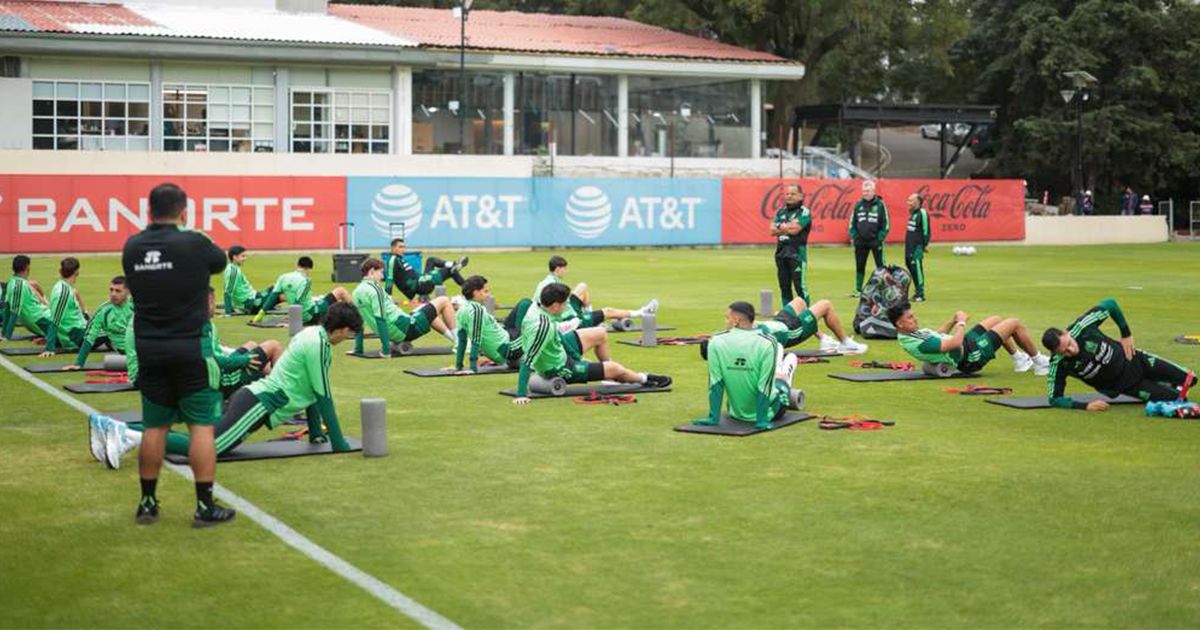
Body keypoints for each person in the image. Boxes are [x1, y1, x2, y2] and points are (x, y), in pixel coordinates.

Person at [99, 303, 362, 468]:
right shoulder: (319, 344)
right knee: (208, 449)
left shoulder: (312, 334)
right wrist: (338, 443)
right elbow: (323, 395)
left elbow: (311, 392)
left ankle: (118, 430)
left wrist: (316, 434)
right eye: (351, 333)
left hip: (254, 399)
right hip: (259, 403)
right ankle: (127, 434)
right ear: (341, 330)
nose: (349, 338)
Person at [121, 182, 233, 527]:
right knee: (201, 427)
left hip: (149, 349)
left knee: (155, 427)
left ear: (148, 211)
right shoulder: (195, 242)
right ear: (184, 212)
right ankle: (203, 506)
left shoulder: (132, 246)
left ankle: (147, 503)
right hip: (190, 348)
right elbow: (219, 261)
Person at [512, 283, 670, 405]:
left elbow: (557, 335)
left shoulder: (538, 307)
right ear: (555, 306)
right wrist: (521, 395)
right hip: (560, 368)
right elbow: (528, 361)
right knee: (615, 368)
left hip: (557, 349)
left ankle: (609, 377)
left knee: (600, 333)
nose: (566, 307)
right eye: (564, 304)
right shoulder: (542, 326)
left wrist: (576, 356)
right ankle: (643, 378)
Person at [1042, 298, 1195, 411]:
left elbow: (1110, 304)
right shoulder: (1058, 364)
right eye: (1064, 352)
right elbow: (1054, 399)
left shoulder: (1083, 327)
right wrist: (1085, 406)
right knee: (1179, 398)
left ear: (1066, 333)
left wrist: (1125, 333)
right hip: (1127, 385)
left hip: (1136, 360)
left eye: (1069, 344)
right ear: (1055, 353)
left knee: (1191, 379)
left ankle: (1166, 381)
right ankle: (1166, 385)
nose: (1071, 351)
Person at [695, 301, 800, 430]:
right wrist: (762, 420)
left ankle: (784, 370)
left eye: (727, 318)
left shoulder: (715, 341)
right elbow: (764, 385)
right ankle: (786, 371)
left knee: (777, 372)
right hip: (769, 411)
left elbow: (715, 382)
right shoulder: (768, 341)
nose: (725, 321)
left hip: (737, 413)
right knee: (780, 379)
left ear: (736, 320)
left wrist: (713, 418)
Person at [888, 302, 1050, 375]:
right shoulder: (917, 343)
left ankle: (1019, 360)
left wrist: (952, 320)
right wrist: (961, 322)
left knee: (996, 320)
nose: (915, 319)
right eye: (910, 317)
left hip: (966, 345)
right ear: (900, 324)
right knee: (1014, 323)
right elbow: (955, 343)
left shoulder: (909, 334)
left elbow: (936, 335)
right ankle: (1040, 363)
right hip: (970, 357)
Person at [352, 257, 458, 356]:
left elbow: (358, 321)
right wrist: (386, 350)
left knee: (427, 312)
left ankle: (455, 341)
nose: (382, 276)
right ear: (371, 271)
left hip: (396, 331)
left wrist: (358, 348)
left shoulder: (357, 292)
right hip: (406, 329)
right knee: (444, 300)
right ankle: (461, 343)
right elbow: (380, 319)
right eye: (380, 272)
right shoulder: (375, 290)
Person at [532, 255, 657, 327]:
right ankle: (641, 312)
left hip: (566, 311)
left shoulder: (546, 282)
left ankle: (591, 315)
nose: (566, 271)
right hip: (568, 318)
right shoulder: (552, 285)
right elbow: (551, 308)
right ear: (558, 269)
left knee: (582, 286)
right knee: (608, 311)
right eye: (565, 268)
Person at [253, 256, 352, 326]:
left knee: (319, 299)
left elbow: (272, 297)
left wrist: (260, 315)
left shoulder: (283, 277)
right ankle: (356, 317)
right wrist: (294, 321)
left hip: (299, 314)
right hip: (311, 315)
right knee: (341, 291)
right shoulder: (306, 281)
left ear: (297, 265)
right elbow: (299, 301)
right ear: (309, 269)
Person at [454, 275, 523, 373]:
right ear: (476, 293)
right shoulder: (477, 310)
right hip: (508, 348)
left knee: (523, 304)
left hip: (505, 337)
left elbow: (462, 340)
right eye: (485, 291)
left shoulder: (461, 310)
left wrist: (458, 366)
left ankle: (518, 333)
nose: (488, 295)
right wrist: (473, 368)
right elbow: (476, 339)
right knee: (527, 306)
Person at [65, 276, 134, 370]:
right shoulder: (103, 311)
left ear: (128, 292)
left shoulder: (136, 306)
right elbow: (90, 337)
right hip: (128, 355)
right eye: (111, 290)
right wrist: (79, 363)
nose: (113, 294)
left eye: (118, 291)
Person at [755, 297, 867, 354]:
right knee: (826, 305)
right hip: (789, 332)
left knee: (799, 301)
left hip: (777, 323)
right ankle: (846, 343)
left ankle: (824, 339)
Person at [385, 238, 468, 300]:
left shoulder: (398, 259)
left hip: (421, 279)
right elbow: (389, 278)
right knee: (450, 271)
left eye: (404, 247)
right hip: (421, 284)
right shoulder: (393, 260)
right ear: (393, 248)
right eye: (400, 247)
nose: (403, 249)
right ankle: (469, 289)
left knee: (431, 260)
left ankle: (453, 264)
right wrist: (388, 298)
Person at [770, 183, 812, 306]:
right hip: (781, 252)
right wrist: (786, 227)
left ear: (800, 196)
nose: (789, 196)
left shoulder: (804, 212)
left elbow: (795, 230)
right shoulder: (781, 211)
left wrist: (780, 226)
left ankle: (806, 314)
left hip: (797, 254)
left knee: (799, 287)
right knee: (784, 286)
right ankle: (787, 314)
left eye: (793, 194)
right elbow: (772, 231)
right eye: (787, 194)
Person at [848, 179, 889, 296]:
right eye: (864, 191)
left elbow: (886, 224)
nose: (865, 193)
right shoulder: (858, 205)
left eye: (867, 191)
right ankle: (858, 289)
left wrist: (879, 238)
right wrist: (855, 236)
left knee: (880, 266)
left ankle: (884, 289)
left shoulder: (880, 205)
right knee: (860, 266)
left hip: (875, 241)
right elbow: (852, 223)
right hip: (860, 242)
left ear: (873, 191)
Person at [41, 257, 88, 356]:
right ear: (76, 272)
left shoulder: (61, 286)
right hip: (75, 337)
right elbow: (55, 322)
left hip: (77, 331)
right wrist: (49, 347)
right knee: (110, 328)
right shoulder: (64, 292)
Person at [0, 255, 52, 342]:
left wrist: (3, 333)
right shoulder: (19, 285)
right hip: (42, 318)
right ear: (27, 267)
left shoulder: (11, 282)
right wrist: (7, 336)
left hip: (42, 316)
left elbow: (8, 310)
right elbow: (14, 313)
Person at [222, 245, 271, 315]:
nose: (245, 258)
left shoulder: (233, 268)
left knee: (273, 289)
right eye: (243, 256)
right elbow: (228, 291)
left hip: (253, 297)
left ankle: (270, 305)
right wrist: (228, 312)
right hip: (250, 303)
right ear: (234, 257)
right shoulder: (233, 271)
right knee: (277, 292)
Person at [904, 193, 931, 301]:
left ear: (917, 202)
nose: (908, 203)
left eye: (911, 201)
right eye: (908, 200)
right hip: (909, 246)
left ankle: (920, 294)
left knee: (917, 269)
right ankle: (917, 291)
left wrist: (924, 245)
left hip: (917, 247)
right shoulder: (913, 214)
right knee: (911, 267)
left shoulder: (922, 213)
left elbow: (926, 230)